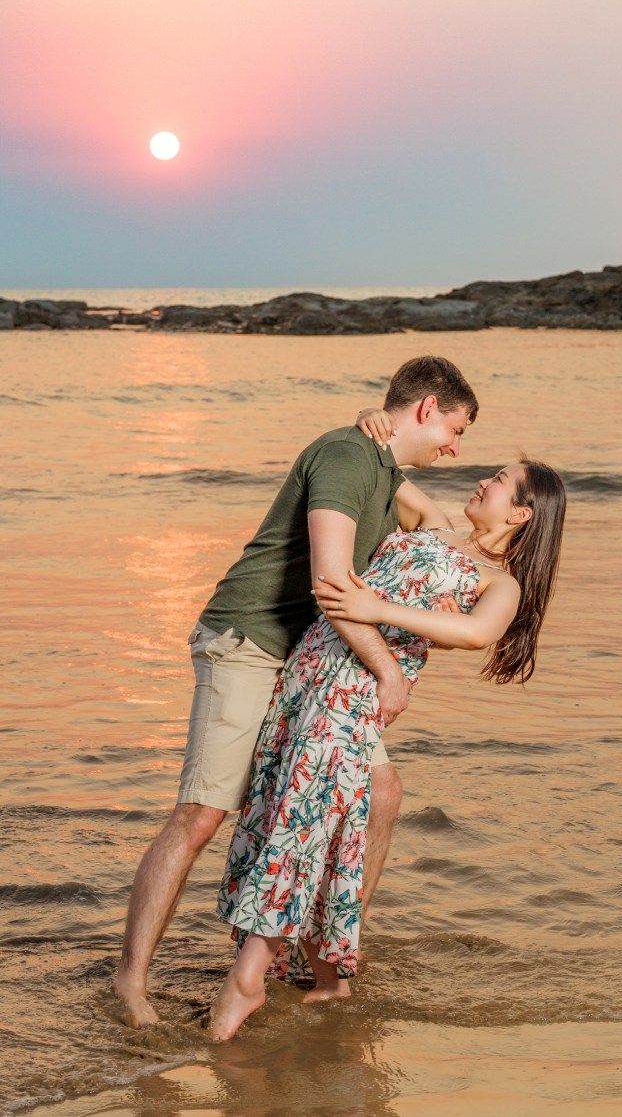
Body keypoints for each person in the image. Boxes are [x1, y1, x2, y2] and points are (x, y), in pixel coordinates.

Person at [113, 357, 479, 1028]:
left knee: (382, 792)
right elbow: (331, 584)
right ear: (427, 407)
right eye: (453, 429)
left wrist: (380, 435)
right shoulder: (345, 457)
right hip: (249, 641)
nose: (455, 448)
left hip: (312, 662)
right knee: (200, 815)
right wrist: (389, 670)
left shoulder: (380, 464)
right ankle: (130, 984)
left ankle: (328, 949)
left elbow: (443, 528)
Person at [210, 457, 566, 1040]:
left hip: (352, 693)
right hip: (306, 672)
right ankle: (329, 978)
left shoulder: (500, 582)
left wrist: (382, 610)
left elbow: (478, 632)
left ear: (521, 512)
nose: (484, 481)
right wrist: (372, 420)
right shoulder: (432, 521)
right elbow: (373, 465)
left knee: (304, 826)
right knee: (290, 815)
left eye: (500, 481)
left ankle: (248, 980)